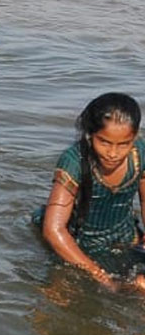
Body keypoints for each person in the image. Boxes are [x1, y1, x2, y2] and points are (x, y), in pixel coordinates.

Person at [38, 93, 145, 293]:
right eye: (104, 142)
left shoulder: (140, 154)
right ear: (90, 135)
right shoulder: (74, 161)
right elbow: (53, 230)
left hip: (125, 238)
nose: (113, 153)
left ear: (134, 137)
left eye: (123, 145)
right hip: (80, 246)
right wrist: (99, 275)